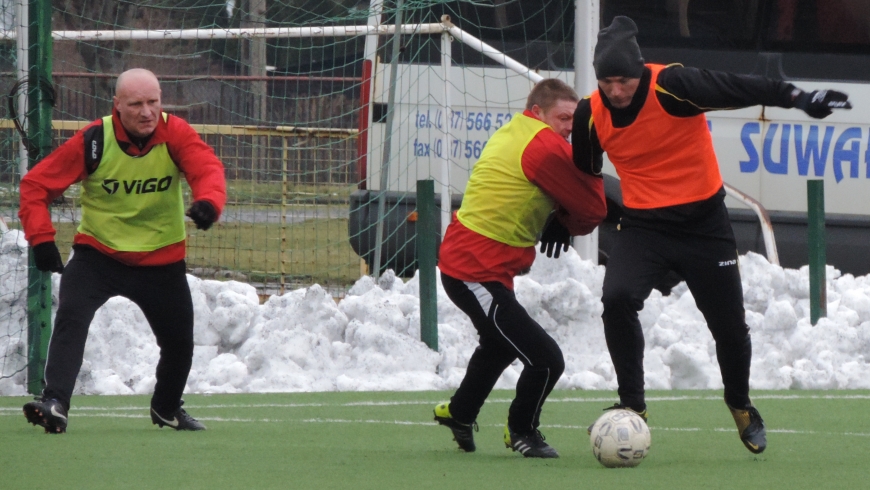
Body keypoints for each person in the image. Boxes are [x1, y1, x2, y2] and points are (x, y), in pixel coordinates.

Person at [572, 16, 852, 454]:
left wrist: (799, 98)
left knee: (729, 327)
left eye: (623, 80)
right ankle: (632, 406)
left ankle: (740, 405)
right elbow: (584, 172)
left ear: (640, 71)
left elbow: (742, 86)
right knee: (617, 298)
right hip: (645, 227)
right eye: (607, 81)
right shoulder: (591, 112)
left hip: (705, 227)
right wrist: (563, 216)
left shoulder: (674, 85)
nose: (617, 91)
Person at [18, 68, 227, 433]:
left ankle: (165, 408)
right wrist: (41, 239)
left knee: (179, 344)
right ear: (117, 106)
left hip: (162, 260)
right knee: (71, 317)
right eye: (136, 104)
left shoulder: (175, 132)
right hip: (98, 256)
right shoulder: (94, 140)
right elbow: (35, 185)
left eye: (153, 102)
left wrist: (209, 203)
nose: (147, 112)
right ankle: (55, 403)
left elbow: (207, 168)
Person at [433, 79, 607, 458]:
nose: (569, 127)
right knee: (546, 359)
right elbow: (594, 209)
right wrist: (570, 210)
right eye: (563, 117)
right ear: (537, 113)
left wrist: (561, 213)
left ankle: (459, 412)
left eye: (574, 121)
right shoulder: (544, 145)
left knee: (498, 345)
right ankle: (522, 431)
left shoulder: (515, 130)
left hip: (477, 264)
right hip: (472, 270)